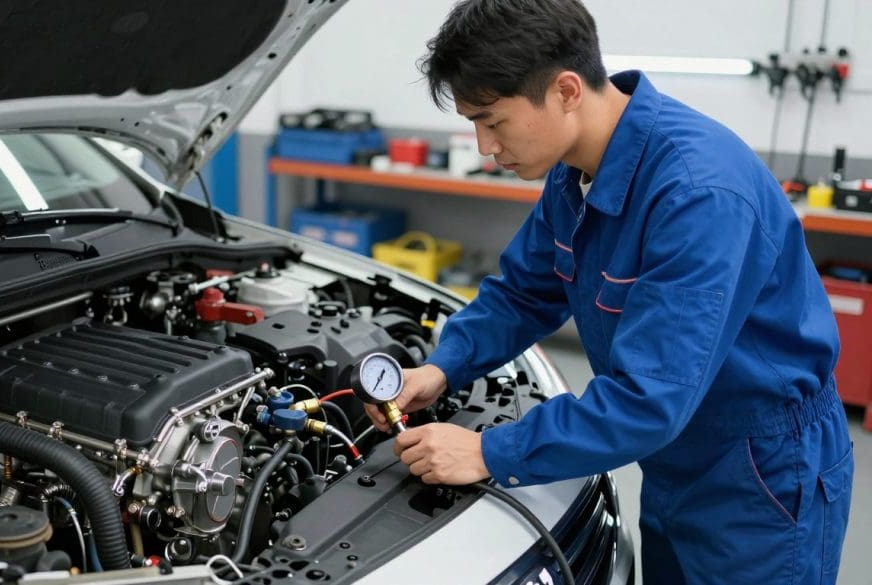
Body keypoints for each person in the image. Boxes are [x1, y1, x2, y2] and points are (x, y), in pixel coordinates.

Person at [363, 0, 854, 582]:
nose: (484, 148)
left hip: (761, 476)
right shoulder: (574, 172)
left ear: (567, 90)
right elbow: (522, 292)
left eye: (493, 122)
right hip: (676, 458)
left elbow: (649, 398)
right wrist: (442, 368)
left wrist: (486, 452)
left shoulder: (698, 195)